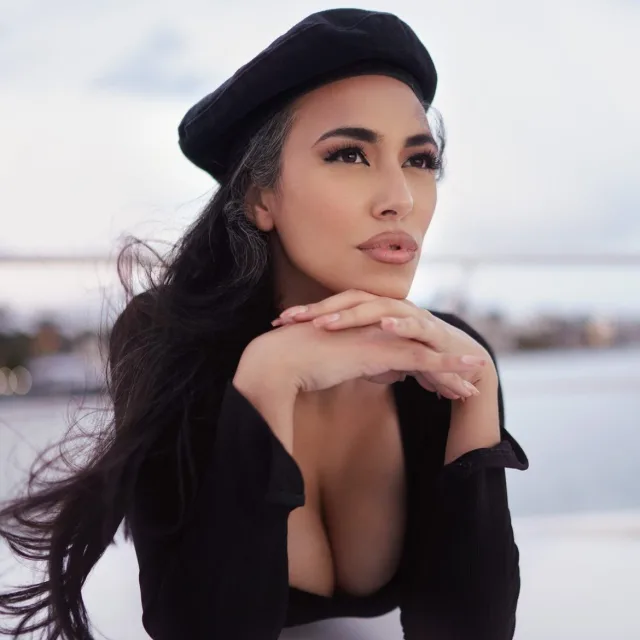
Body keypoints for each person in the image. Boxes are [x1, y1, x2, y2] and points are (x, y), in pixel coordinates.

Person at [0, 8, 529, 640]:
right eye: (351, 154)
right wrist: (268, 381)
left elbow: (468, 629)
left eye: (419, 160)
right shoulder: (168, 338)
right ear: (259, 196)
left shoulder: (442, 355)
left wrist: (479, 401)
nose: (401, 198)